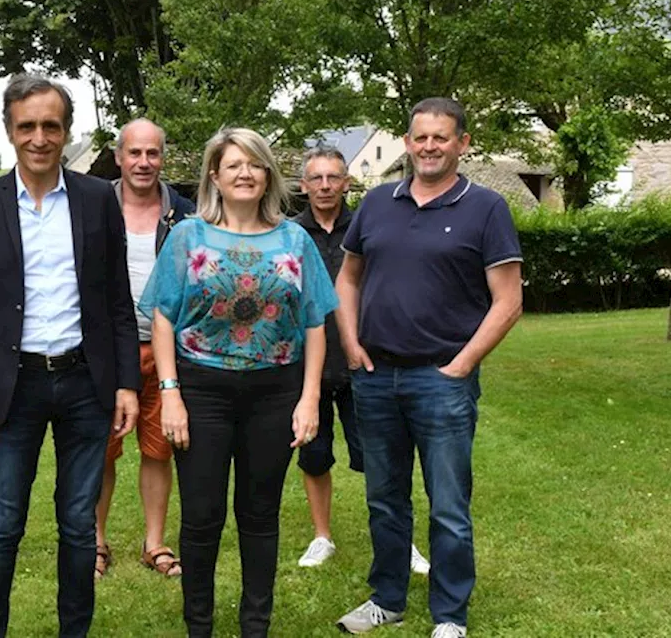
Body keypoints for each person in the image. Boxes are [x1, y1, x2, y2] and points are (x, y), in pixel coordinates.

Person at [0, 73, 141, 638]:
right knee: (3, 525)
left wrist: (126, 383)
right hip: (12, 386)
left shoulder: (96, 201)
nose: (39, 137)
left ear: (66, 131)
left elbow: (115, 300)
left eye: (50, 126)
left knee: (79, 524)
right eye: (27, 125)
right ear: (9, 130)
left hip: (85, 381)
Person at [334, 98, 523, 638]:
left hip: (441, 380)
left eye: (441, 137)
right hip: (375, 378)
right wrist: (351, 342)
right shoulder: (376, 203)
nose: (429, 147)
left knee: (448, 505)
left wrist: (461, 365)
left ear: (463, 143)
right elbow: (348, 278)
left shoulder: (486, 208)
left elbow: (507, 300)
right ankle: (387, 598)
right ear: (407, 141)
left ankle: (449, 615)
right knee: (383, 498)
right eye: (420, 137)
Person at [139, 127, 338, 638]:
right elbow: (162, 316)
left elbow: (315, 320)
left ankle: (256, 627)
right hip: (201, 390)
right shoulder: (188, 236)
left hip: (276, 390)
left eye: (254, 164)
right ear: (215, 175)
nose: (245, 173)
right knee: (202, 517)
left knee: (260, 516)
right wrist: (170, 394)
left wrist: (310, 397)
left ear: (267, 173)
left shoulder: (294, 240)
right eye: (234, 165)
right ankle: (198, 627)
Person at [293, 147, 431, 577]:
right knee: (314, 458)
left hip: (364, 364)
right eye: (316, 179)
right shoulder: (291, 235)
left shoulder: (371, 225)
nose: (325, 186)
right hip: (309, 368)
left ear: (347, 182)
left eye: (333, 177)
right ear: (303, 185)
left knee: (379, 459)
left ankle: (400, 541)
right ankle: (322, 537)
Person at [93, 118, 195, 580]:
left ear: (163, 157)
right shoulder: (93, 207)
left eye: (152, 153)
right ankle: (94, 541)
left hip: (166, 347)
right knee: (100, 451)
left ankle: (154, 543)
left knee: (158, 449)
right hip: (106, 349)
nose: (143, 162)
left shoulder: (185, 214)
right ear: (118, 156)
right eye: (134, 152)